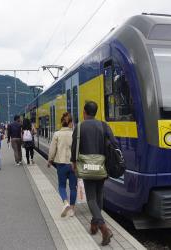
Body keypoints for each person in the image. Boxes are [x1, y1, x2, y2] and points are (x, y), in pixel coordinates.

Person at [71, 101, 117, 246]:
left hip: (86, 166)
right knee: (99, 195)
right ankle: (94, 224)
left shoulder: (79, 127)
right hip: (101, 166)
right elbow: (114, 144)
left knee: (91, 198)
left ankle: (104, 229)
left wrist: (73, 162)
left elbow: (74, 148)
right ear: (95, 112)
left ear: (84, 112)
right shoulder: (104, 125)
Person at [48, 112, 76, 217]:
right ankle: (72, 209)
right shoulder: (74, 134)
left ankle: (65, 203)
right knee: (73, 187)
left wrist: (50, 160)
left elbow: (52, 149)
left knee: (62, 186)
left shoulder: (57, 134)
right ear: (71, 123)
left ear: (61, 123)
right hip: (73, 164)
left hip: (61, 164)